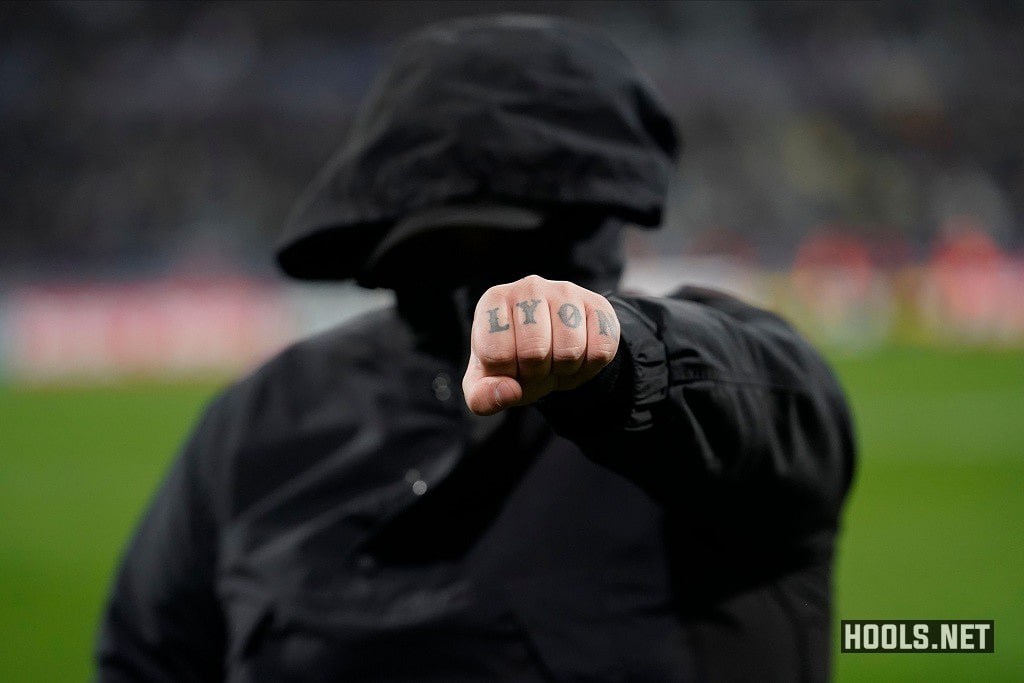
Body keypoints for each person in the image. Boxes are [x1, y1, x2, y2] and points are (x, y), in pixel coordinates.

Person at [96, 14, 855, 682]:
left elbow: (771, 403)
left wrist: (621, 359)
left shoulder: (698, 401)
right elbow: (148, 658)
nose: (492, 282)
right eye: (450, 242)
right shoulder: (258, 419)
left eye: (514, 238)